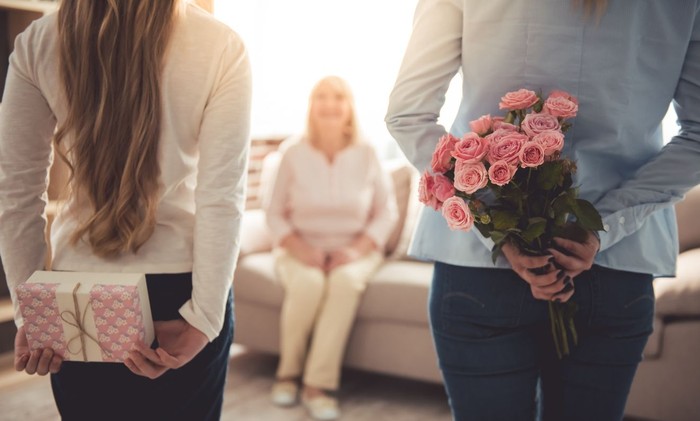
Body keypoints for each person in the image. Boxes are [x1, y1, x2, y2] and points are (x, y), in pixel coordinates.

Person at [386, 1, 700, 420]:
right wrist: (602, 228)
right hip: (617, 267)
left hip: (479, 269)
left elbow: (408, 115)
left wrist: (497, 227)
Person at [0, 1, 251, 420]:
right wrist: (204, 317)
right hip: (182, 289)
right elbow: (221, 196)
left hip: (76, 295)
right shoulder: (220, 45)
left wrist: (34, 312)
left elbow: (15, 190)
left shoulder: (38, 41)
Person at [264, 75, 398, 421]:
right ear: (311, 106)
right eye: (321, 96)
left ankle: (316, 386)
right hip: (300, 246)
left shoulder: (367, 152)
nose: (329, 103)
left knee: (342, 284)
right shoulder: (292, 152)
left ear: (349, 107)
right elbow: (274, 212)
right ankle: (287, 374)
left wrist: (355, 251)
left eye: (338, 96)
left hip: (356, 249)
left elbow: (387, 211)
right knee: (308, 285)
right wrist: (299, 247)